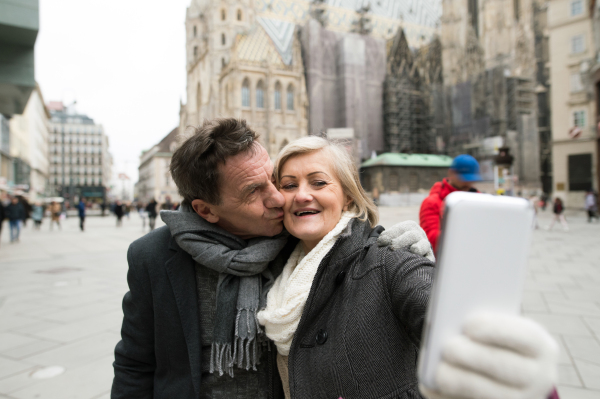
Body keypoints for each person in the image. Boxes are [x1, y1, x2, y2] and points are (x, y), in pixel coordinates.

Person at [111, 119, 430, 399]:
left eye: (273, 179)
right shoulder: (152, 258)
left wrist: (403, 246)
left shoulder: (296, 236)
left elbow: (350, 242)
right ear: (206, 210)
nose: (280, 197)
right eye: (254, 191)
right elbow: (135, 365)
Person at [258, 137, 558, 399]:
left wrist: (512, 367)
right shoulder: (273, 268)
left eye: (319, 182)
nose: (301, 194)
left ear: (348, 194)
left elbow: (452, 323)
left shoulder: (390, 258)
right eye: (288, 185)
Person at [419, 154, 481, 254]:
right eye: (464, 178)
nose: (468, 183)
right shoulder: (432, 203)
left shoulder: (479, 200)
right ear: (451, 173)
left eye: (471, 179)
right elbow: (430, 242)